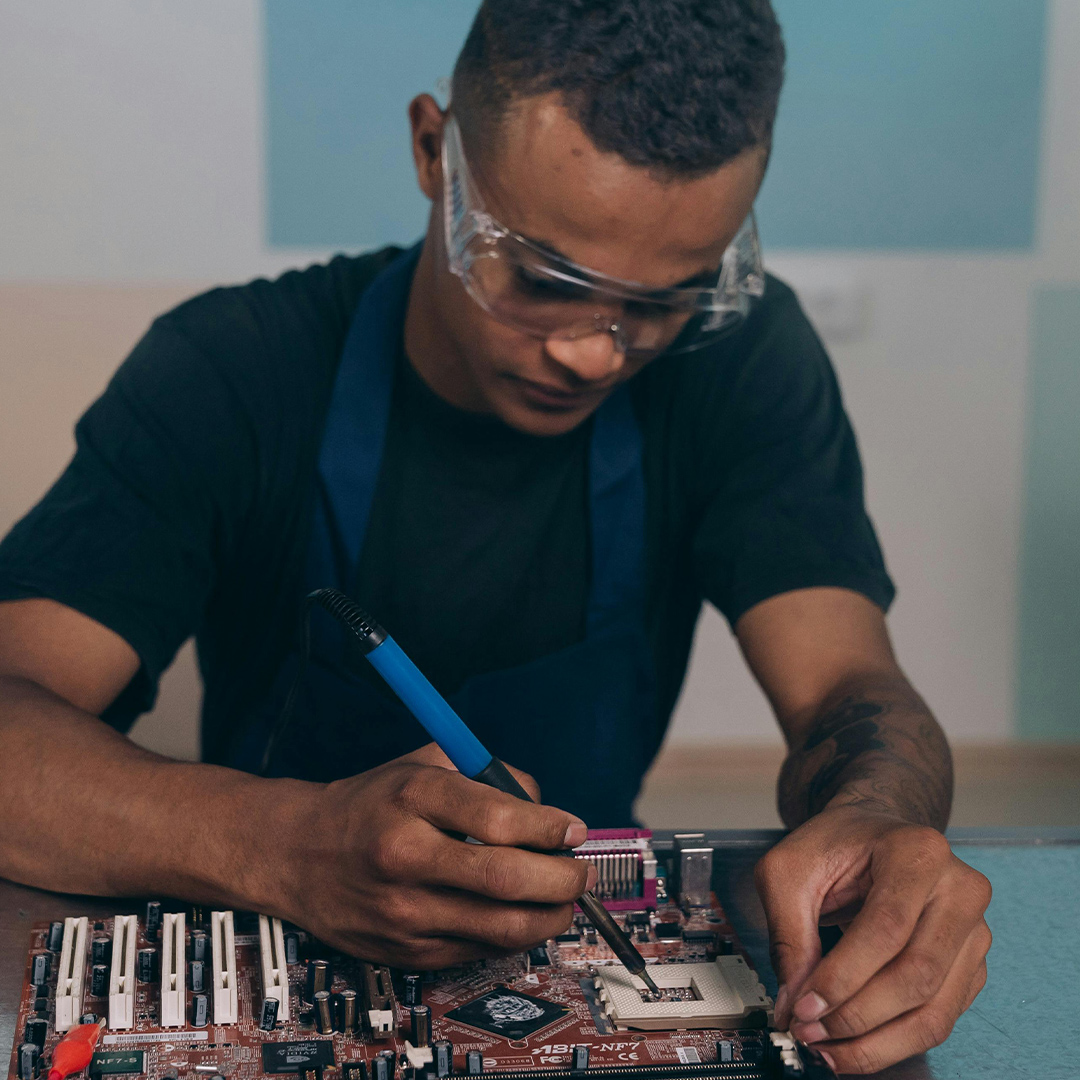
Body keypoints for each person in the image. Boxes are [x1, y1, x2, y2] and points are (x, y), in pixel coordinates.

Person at [0, 0, 990, 1072]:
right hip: (275, 968)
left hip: (593, 966)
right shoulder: (232, 369)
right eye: (547, 281)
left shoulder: (741, 362)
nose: (596, 355)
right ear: (437, 152)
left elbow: (851, 686)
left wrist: (879, 816)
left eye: (664, 301)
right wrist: (284, 844)